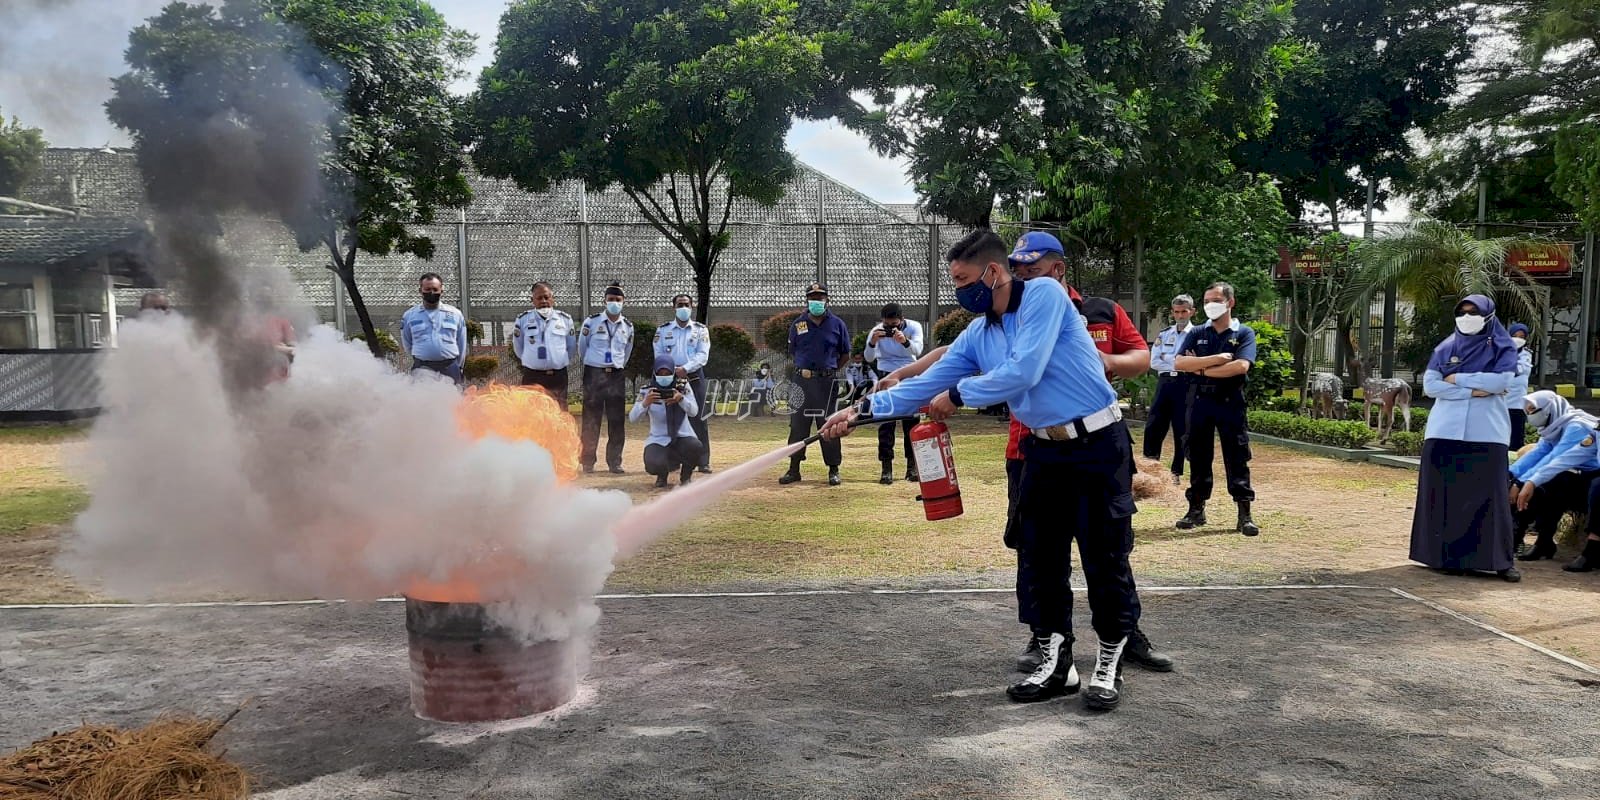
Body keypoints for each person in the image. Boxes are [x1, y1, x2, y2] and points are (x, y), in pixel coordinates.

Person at [825, 229, 1143, 712]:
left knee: (1104, 555)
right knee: (1041, 559)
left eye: (963, 279)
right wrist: (860, 411)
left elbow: (1024, 370)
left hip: (1097, 445)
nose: (958, 290)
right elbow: (927, 383)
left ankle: (1109, 661)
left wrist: (958, 397)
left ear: (993, 272)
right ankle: (1057, 663)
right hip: (1042, 452)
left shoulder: (1043, 295)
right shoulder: (978, 333)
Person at [1410, 294, 1521, 582]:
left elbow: (1502, 382)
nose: (1467, 317)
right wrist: (1475, 388)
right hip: (1444, 431)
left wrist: (1456, 378)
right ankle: (1445, 558)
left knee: (1491, 498)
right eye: (1463, 312)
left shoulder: (1503, 346)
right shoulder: (1446, 347)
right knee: (1445, 496)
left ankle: (1498, 561)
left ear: (1488, 315)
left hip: (1487, 432)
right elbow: (1432, 386)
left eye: (1474, 312)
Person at [1173, 282, 1260, 536]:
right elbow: (1179, 362)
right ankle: (1196, 509)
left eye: (1215, 300)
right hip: (1199, 400)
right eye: (1206, 300)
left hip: (1230, 401)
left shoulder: (1243, 333)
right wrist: (1214, 361)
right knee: (1198, 455)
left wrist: (1198, 367)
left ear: (1230, 303)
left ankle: (1244, 514)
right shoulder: (1198, 331)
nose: (1210, 305)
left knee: (1237, 455)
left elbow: (1240, 367)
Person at [1510, 390, 1600, 561]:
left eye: (1533, 410)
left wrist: (1525, 482)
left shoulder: (1577, 426)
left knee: (1595, 487)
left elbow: (1556, 457)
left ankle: (1591, 552)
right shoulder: (1553, 427)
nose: (1530, 416)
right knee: (1550, 483)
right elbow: (1543, 455)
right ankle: (1540, 541)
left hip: (1593, 479)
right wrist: (1515, 476)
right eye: (1527, 411)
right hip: (1583, 477)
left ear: (1550, 408)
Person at [781, 282, 851, 486]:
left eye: (820, 297)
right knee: (797, 426)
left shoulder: (837, 324)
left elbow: (845, 354)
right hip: (801, 382)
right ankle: (794, 468)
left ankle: (833, 469)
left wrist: (828, 370)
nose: (817, 301)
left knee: (828, 425)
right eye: (813, 298)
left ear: (827, 299)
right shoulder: (798, 324)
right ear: (807, 300)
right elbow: (793, 351)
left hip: (826, 383)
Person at [863, 302, 926, 484]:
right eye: (887, 325)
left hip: (909, 374)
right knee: (885, 422)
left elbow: (918, 350)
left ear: (902, 320)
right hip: (886, 375)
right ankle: (886, 467)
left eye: (894, 325)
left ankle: (912, 466)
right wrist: (873, 342)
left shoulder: (914, 327)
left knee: (911, 422)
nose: (890, 329)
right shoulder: (877, 330)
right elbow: (868, 357)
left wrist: (904, 341)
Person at [577, 283, 634, 474]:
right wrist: (596, 365)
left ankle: (615, 462)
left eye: (618, 300)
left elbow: (627, 352)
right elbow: (582, 349)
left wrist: (615, 366)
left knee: (617, 421)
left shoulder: (628, 326)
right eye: (611, 299)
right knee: (591, 420)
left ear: (623, 302)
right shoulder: (591, 322)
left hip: (616, 375)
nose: (614, 303)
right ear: (605, 301)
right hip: (594, 374)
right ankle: (587, 461)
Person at [654, 294, 713, 473]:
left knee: (699, 418)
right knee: (671, 419)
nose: (683, 308)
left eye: (686, 304)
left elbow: (703, 354)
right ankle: (673, 461)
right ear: (674, 307)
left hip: (693, 377)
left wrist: (685, 368)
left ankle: (703, 460)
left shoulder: (700, 330)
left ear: (692, 306)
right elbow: (658, 353)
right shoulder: (663, 331)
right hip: (669, 379)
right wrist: (671, 369)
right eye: (680, 304)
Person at [1145, 295, 1197, 483]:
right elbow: (1154, 362)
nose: (1180, 315)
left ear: (1192, 311)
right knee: (1154, 425)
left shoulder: (1197, 335)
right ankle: (1151, 468)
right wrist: (1180, 361)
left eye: (1184, 311)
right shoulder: (1165, 334)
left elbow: (1195, 363)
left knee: (1181, 428)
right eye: (1176, 311)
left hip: (1185, 384)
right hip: (1165, 383)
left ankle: (1176, 472)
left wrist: (1173, 361)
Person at [631, 354, 704, 489]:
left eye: (668, 373)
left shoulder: (683, 387)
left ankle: (686, 477)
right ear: (654, 373)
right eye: (660, 373)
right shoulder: (647, 390)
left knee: (696, 447)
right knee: (652, 463)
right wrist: (645, 403)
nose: (664, 376)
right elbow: (632, 418)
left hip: (682, 436)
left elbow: (694, 411)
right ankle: (662, 476)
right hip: (659, 438)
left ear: (673, 372)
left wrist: (681, 399)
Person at [513, 282, 577, 407]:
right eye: (539, 298)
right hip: (532, 376)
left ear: (553, 299)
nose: (543, 301)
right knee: (531, 413)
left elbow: (571, 347)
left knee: (559, 412)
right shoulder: (523, 320)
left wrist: (557, 361)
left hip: (558, 376)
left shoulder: (565, 319)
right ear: (532, 300)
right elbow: (519, 348)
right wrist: (532, 361)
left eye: (546, 297)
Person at [400, 272, 467, 385]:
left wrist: (458, 366)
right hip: (422, 368)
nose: (431, 292)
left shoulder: (455, 314)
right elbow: (407, 343)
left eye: (435, 289)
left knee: (455, 401)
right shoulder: (409, 315)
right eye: (427, 289)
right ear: (420, 291)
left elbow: (462, 343)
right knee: (421, 401)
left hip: (450, 367)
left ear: (442, 290)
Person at [1506, 322, 1534, 452]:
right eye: (1515, 335)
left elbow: (1519, 369)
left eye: (1522, 336)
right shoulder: (1502, 352)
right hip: (1503, 400)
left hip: (1518, 402)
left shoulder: (1527, 354)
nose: (1518, 339)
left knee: (1517, 436)